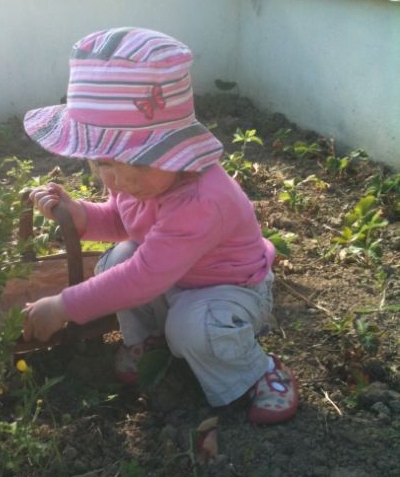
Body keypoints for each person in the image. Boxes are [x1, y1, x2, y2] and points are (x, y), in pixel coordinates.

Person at [22, 27, 298, 425]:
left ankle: (257, 370)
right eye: (102, 164)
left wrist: (64, 306)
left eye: (129, 162)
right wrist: (82, 216)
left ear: (173, 153)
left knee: (191, 327)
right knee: (118, 259)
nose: (115, 181)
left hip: (228, 291)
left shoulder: (203, 200)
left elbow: (145, 277)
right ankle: (151, 342)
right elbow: (123, 220)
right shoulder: (141, 181)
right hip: (174, 280)